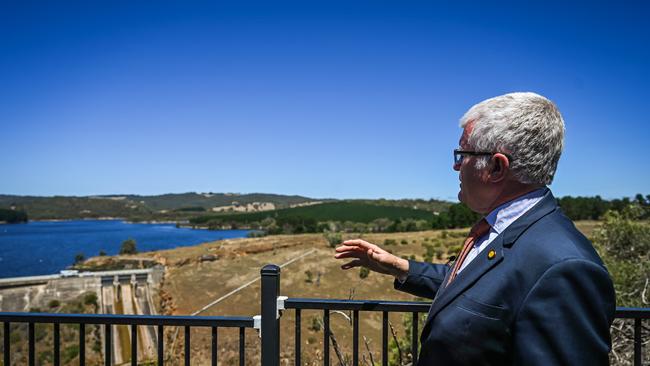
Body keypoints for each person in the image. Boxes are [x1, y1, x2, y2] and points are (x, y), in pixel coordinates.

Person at [334, 92, 616, 365]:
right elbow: (477, 284)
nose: (456, 167)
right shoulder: (506, 230)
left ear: (495, 167)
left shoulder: (564, 268)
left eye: (462, 153)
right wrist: (400, 267)